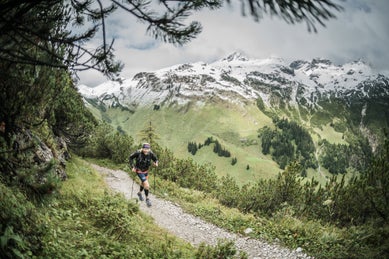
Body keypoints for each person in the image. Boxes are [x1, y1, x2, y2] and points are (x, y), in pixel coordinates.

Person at [128, 143, 158, 207]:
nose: (145, 150)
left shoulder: (151, 153)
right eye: (144, 149)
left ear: (149, 149)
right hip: (139, 170)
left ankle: (139, 193)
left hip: (146, 171)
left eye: (147, 149)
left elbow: (156, 159)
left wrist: (156, 163)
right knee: (146, 185)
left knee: (143, 182)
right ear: (142, 148)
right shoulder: (138, 153)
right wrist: (132, 167)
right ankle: (147, 199)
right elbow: (130, 158)